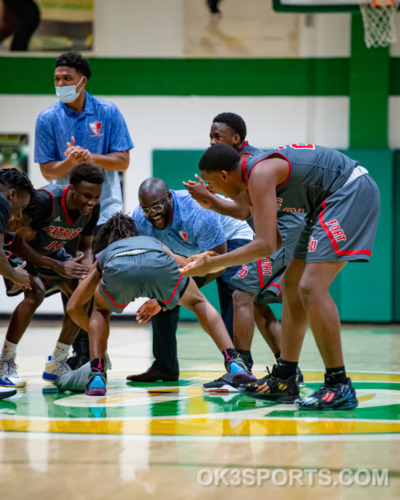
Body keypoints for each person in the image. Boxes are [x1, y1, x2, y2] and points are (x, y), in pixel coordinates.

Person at [181, 143, 380, 411]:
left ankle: (338, 383)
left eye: (210, 182)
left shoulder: (259, 174)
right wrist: (211, 203)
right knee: (292, 284)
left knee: (310, 287)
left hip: (349, 192)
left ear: (225, 175)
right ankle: (286, 377)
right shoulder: (248, 173)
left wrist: (211, 264)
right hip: (321, 204)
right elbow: (267, 235)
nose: (211, 187)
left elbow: (264, 245)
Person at [65, 213, 256, 396]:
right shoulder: (152, 241)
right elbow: (182, 265)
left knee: (100, 310)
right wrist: (197, 272)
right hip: (159, 262)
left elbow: (73, 307)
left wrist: (94, 332)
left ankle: (97, 374)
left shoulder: (106, 253)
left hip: (118, 271)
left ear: (106, 240)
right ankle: (234, 361)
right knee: (199, 302)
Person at [184, 112, 305, 392]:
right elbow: (242, 211)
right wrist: (209, 199)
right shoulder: (242, 165)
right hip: (286, 234)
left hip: (285, 234)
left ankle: (241, 369)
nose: (212, 142)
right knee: (257, 302)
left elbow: (245, 211)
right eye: (210, 137)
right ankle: (289, 371)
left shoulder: (251, 164)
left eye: (218, 136)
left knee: (241, 293)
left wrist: (210, 197)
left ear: (236, 139)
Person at [34, 51, 133, 360]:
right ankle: (82, 352)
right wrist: (70, 161)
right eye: (56, 79)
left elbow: (123, 161)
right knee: (73, 276)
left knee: (99, 278)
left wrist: (89, 157)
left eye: (67, 79)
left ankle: (95, 347)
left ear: (83, 81)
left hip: (105, 211)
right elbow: (48, 171)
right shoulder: (48, 118)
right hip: (66, 214)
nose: (61, 84)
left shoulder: (108, 111)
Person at [127, 177, 254, 383]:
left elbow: (217, 260)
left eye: (157, 207)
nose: (153, 215)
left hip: (229, 241)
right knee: (162, 290)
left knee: (233, 288)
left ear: (169, 198)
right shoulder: (140, 218)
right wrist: (163, 296)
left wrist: (167, 298)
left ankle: (239, 367)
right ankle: (165, 366)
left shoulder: (196, 210)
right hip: (192, 251)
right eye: (147, 210)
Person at [0, 163, 103, 388]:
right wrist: (58, 266)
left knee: (82, 295)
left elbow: (85, 246)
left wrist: (86, 263)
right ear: (72, 189)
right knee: (35, 293)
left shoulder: (92, 209)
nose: (92, 201)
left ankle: (57, 362)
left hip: (52, 253)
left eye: (96, 196)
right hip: (22, 253)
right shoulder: (46, 201)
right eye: (87, 195)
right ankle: (5, 361)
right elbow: (18, 243)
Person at [0, 167, 34, 399]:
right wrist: (14, 274)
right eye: (21, 207)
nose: (18, 214)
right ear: (12, 194)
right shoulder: (2, 202)